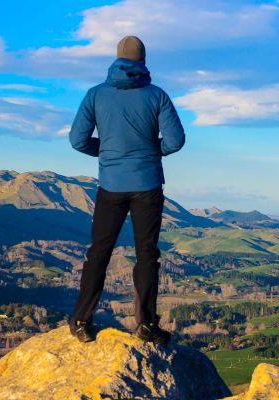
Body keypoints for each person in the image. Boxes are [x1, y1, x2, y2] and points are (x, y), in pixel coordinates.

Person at [68, 36, 185, 345]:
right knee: (147, 255)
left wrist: (107, 152)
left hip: (110, 185)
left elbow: (77, 140)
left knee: (98, 253)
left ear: (117, 59)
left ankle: (81, 321)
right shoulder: (157, 95)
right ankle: (146, 326)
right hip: (147, 185)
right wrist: (150, 151)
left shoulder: (95, 95)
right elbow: (175, 141)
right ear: (143, 61)